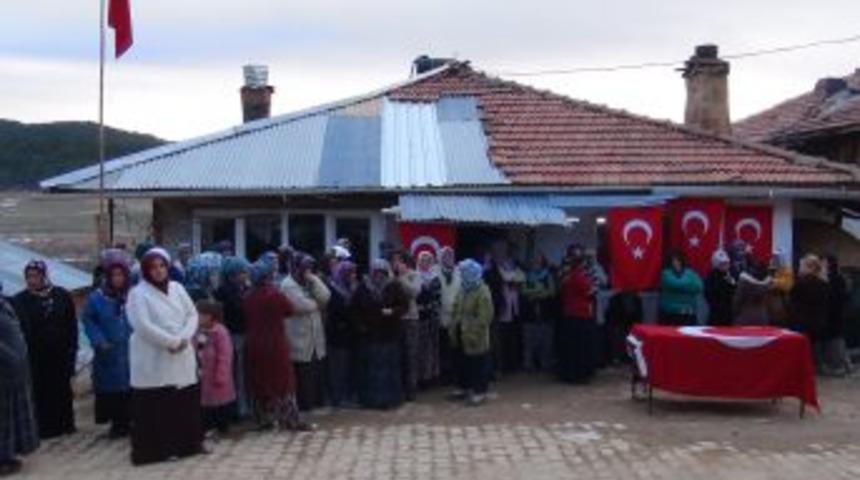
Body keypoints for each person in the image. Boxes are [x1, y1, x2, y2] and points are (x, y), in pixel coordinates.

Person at [126, 248, 202, 466]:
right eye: (153, 267)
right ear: (146, 270)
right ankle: (157, 451)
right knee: (158, 405)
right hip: (154, 354)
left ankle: (188, 445)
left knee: (183, 402)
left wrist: (184, 338)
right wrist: (171, 342)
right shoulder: (138, 294)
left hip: (181, 352)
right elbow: (142, 325)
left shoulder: (178, 288)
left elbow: (192, 314)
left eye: (162, 266)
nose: (158, 271)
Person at [11, 260, 78, 439]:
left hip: (60, 352)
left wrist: (72, 349)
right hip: (36, 355)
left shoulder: (61, 295)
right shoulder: (20, 300)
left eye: (36, 276)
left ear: (44, 276)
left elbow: (71, 324)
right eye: (29, 276)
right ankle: (45, 428)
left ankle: (66, 424)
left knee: (62, 389)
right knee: (41, 391)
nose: (32, 280)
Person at [243, 260, 310, 431]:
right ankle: (289, 419)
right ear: (268, 276)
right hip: (275, 343)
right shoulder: (274, 295)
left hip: (254, 344)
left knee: (260, 380)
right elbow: (289, 310)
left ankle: (263, 419)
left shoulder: (248, 297)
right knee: (283, 381)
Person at [81, 249, 133, 438]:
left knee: (130, 387)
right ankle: (117, 424)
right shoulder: (97, 298)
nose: (118, 278)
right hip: (109, 350)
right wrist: (99, 340)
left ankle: (130, 421)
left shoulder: (132, 295)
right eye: (114, 275)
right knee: (113, 389)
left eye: (121, 274)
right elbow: (88, 320)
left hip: (130, 350)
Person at [352, 259, 409, 409]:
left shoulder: (394, 285)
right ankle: (372, 400)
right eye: (376, 272)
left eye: (381, 272)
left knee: (390, 368)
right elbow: (355, 309)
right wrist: (361, 326)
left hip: (390, 334)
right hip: (370, 335)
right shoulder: (363, 287)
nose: (378, 276)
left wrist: (392, 311)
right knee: (372, 370)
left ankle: (390, 400)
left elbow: (404, 305)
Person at [281, 253, 331, 412]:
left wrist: (314, 279)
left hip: (314, 336)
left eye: (310, 267)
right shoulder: (287, 285)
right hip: (298, 337)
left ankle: (314, 403)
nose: (308, 270)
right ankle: (303, 406)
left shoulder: (309, 281)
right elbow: (302, 306)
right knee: (302, 375)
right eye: (305, 268)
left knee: (314, 372)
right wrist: (317, 304)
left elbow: (326, 296)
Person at [0, 291, 39, 476]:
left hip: (15, 371)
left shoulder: (5, 304)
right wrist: (11, 357)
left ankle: (8, 455)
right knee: (3, 419)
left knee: (11, 418)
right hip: (4, 370)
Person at [449, 259, 495, 406]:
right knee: (462, 362)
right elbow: (456, 307)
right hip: (461, 332)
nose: (462, 275)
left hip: (476, 334)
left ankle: (479, 391)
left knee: (478, 363)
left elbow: (485, 316)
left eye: (464, 272)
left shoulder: (482, 290)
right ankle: (464, 387)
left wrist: (474, 331)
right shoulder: (463, 289)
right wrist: (454, 324)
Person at [214, 257, 251, 418]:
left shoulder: (240, 288)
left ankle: (243, 406)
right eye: (242, 272)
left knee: (243, 372)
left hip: (242, 334)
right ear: (233, 274)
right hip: (234, 335)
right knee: (238, 373)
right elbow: (239, 309)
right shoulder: (225, 291)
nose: (245, 275)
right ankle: (239, 408)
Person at [194, 300, 236, 436]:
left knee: (220, 404)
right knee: (205, 404)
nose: (197, 317)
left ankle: (223, 428)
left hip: (217, 376)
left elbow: (225, 355)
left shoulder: (220, 332)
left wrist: (221, 375)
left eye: (200, 315)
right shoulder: (197, 331)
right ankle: (207, 427)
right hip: (202, 375)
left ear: (209, 316)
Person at [557, 246, 597, 383]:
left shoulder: (568, 275)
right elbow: (591, 291)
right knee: (580, 348)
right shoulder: (578, 276)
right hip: (580, 315)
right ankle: (579, 375)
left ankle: (570, 373)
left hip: (570, 314)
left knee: (571, 347)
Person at [484, 242, 525, 374]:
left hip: (514, 310)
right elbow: (503, 279)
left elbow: (520, 277)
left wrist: (512, 279)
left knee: (512, 339)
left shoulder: (514, 265)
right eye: (498, 250)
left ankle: (511, 365)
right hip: (499, 309)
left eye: (503, 250)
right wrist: (509, 279)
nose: (501, 252)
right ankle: (499, 367)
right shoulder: (490, 268)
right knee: (498, 340)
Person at [325, 261, 359, 408]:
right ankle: (337, 397)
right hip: (337, 335)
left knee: (347, 367)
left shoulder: (351, 288)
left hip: (349, 334)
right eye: (351, 273)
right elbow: (338, 311)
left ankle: (345, 396)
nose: (354, 276)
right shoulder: (333, 289)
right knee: (338, 367)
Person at [390, 251, 422, 400]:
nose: (395, 263)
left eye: (398, 260)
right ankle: (398, 388)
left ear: (405, 262)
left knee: (411, 355)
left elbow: (414, 292)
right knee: (398, 355)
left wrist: (402, 277)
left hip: (410, 319)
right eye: (393, 261)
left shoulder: (414, 275)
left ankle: (411, 389)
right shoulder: (391, 276)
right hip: (395, 319)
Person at [790, 255, 830, 367]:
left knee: (803, 347)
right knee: (814, 346)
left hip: (802, 322)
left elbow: (792, 300)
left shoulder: (800, 283)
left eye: (803, 265)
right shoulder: (824, 284)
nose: (801, 267)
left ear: (810, 267)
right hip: (818, 321)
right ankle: (816, 366)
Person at [521, 253, 556, 372]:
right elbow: (524, 291)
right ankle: (528, 365)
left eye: (538, 261)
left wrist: (535, 293)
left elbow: (551, 291)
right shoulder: (527, 276)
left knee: (546, 342)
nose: (535, 263)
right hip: (529, 314)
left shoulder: (548, 276)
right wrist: (540, 289)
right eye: (534, 261)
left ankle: (545, 364)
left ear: (542, 263)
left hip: (545, 313)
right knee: (528, 341)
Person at [415, 251, 442, 385]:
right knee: (421, 347)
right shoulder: (415, 276)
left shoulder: (435, 277)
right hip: (420, 317)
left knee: (433, 346)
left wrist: (431, 305)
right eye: (422, 260)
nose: (425, 262)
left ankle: (433, 375)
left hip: (433, 316)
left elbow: (438, 296)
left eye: (427, 260)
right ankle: (422, 377)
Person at [823, 255, 852, 375]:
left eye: (824, 262)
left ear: (829, 264)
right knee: (838, 340)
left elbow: (835, 297)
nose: (823, 264)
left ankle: (840, 366)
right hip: (837, 313)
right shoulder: (838, 277)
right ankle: (846, 364)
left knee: (835, 340)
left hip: (834, 314)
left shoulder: (833, 278)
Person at [658, 251, 703, 326]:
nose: (677, 263)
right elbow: (677, 284)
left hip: (689, 313)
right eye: (674, 261)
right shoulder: (666, 274)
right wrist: (689, 279)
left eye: (679, 260)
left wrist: (685, 286)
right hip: (672, 314)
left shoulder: (690, 273)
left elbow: (699, 286)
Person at [437, 246, 461, 384]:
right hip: (441, 315)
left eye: (450, 256)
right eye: (445, 256)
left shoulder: (459, 272)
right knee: (443, 347)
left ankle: (455, 374)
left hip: (456, 315)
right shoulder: (435, 272)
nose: (448, 259)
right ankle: (443, 376)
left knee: (455, 347)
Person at [733, 261, 774, 326]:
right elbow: (770, 303)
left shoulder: (743, 282)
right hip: (762, 318)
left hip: (744, 318)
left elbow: (737, 301)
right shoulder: (768, 283)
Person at [704, 250, 736, 326]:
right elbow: (709, 294)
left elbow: (735, 289)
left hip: (729, 313)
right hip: (716, 314)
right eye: (723, 264)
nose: (726, 266)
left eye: (727, 263)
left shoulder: (730, 275)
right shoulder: (711, 276)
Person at [766, 251, 794, 327]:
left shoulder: (786, 270)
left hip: (781, 304)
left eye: (775, 258)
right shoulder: (768, 269)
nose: (773, 260)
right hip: (769, 305)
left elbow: (788, 286)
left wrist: (775, 282)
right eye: (772, 258)